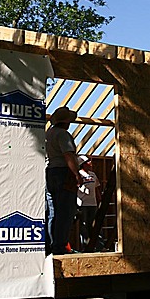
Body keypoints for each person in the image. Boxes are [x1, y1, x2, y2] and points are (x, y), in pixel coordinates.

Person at [45, 106, 84, 255]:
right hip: (63, 173)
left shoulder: (50, 133)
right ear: (67, 122)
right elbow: (68, 155)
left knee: (53, 212)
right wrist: (76, 174)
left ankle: (50, 246)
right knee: (65, 212)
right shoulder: (63, 134)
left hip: (50, 173)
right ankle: (59, 247)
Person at [77, 156, 102, 248]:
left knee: (93, 225)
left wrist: (99, 198)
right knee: (84, 226)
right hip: (82, 204)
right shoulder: (78, 174)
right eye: (88, 161)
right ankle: (85, 246)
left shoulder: (93, 175)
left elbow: (96, 188)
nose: (90, 162)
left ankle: (97, 246)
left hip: (93, 204)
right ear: (82, 164)